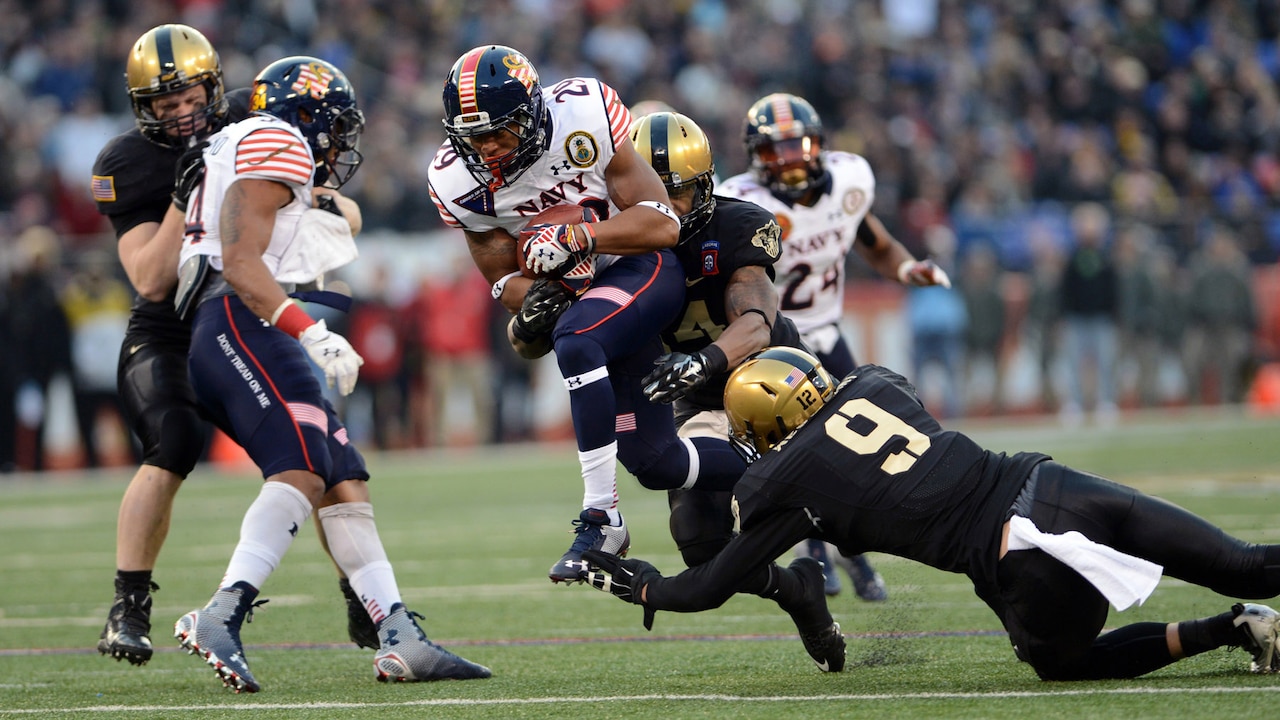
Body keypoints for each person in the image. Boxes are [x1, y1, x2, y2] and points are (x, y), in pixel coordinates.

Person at [584, 347, 1280, 681]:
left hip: (1014, 551)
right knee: (1243, 563)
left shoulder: (784, 479)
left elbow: (706, 585)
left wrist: (638, 584)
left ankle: (1231, 631)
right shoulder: (875, 383)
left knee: (1057, 663)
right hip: (1052, 481)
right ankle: (1244, 614)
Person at [173, 55, 489, 692]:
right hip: (239, 319)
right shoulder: (280, 140)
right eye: (335, 127)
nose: (341, 143)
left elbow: (331, 220)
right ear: (306, 117)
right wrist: (309, 330)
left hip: (236, 320)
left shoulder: (238, 143)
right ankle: (222, 611)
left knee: (344, 477)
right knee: (303, 466)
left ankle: (399, 632)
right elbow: (240, 262)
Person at [90, 24, 376, 667]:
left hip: (245, 316)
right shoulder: (126, 162)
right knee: (174, 441)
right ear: (144, 109)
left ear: (216, 87)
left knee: (321, 455)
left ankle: (367, 595)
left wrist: (318, 209)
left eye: (192, 95)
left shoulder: (256, 117)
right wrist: (183, 193)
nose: (184, 111)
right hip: (171, 328)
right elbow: (150, 278)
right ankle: (128, 605)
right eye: (166, 103)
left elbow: (341, 208)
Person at [428, 45, 747, 583]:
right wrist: (535, 294)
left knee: (576, 341)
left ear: (533, 112)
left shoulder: (585, 113)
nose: (486, 147)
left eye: (500, 130)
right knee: (655, 461)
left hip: (640, 270)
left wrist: (581, 236)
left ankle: (602, 518)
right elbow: (503, 279)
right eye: (473, 135)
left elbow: (661, 223)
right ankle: (780, 469)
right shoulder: (456, 181)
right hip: (589, 303)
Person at [718, 92, 952, 601]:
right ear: (756, 156)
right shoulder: (739, 202)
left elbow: (876, 243)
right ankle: (818, 556)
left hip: (827, 333)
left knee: (859, 449)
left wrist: (909, 268)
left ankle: (856, 555)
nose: (790, 159)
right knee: (799, 458)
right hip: (775, 345)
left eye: (798, 145)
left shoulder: (849, 182)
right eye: (776, 150)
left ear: (820, 144)